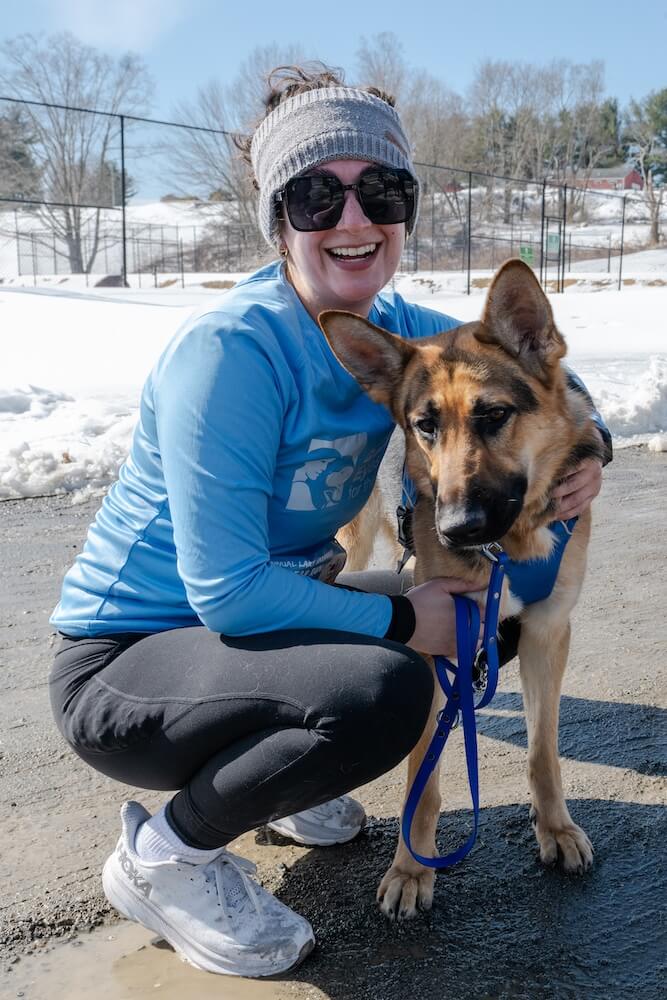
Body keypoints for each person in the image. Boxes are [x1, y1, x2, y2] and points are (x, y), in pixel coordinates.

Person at [48, 64, 610, 979]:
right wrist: (402, 616)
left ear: (403, 211)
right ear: (279, 222)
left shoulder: (393, 332)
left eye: (379, 190)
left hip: (245, 634)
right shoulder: (228, 354)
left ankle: (285, 773)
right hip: (126, 661)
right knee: (383, 686)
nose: (352, 219)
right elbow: (226, 592)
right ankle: (167, 857)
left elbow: (544, 375)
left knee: (474, 623)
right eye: (316, 197)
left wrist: (590, 451)